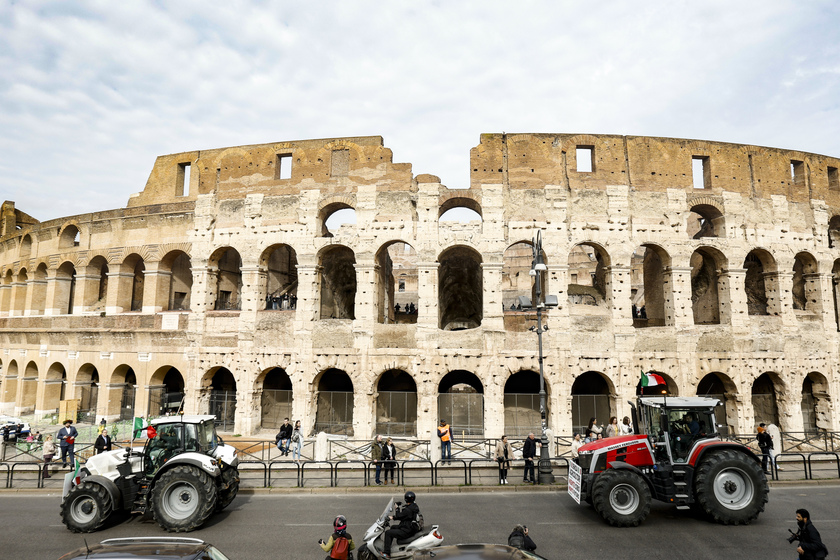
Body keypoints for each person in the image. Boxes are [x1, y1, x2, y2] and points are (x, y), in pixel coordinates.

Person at [384, 491, 420, 559]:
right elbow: (404, 515)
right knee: (392, 527)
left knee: (388, 533)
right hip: (409, 526)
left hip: (407, 530)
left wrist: (397, 508)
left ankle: (387, 553)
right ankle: (390, 546)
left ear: (405, 499)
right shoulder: (414, 506)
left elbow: (399, 516)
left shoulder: (408, 510)